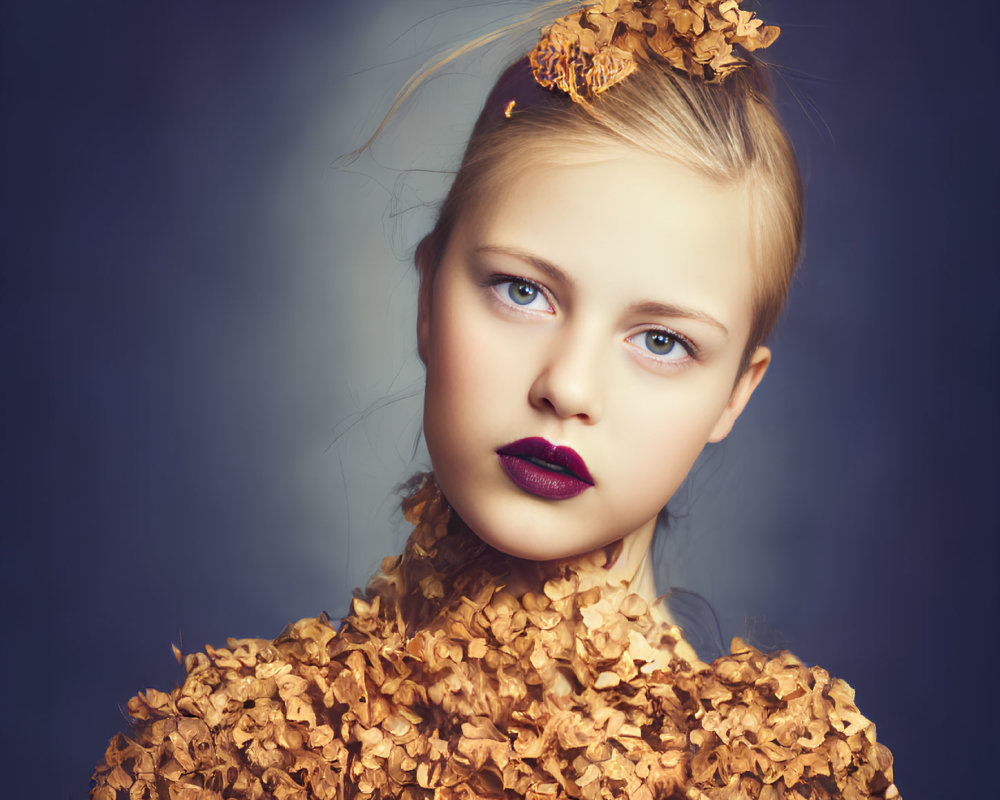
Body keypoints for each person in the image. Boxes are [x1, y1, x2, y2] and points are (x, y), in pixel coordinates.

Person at [91, 1, 899, 798]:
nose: (567, 386)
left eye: (661, 341)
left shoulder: (800, 780)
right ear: (427, 299)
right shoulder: (212, 761)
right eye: (522, 291)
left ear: (735, 395)